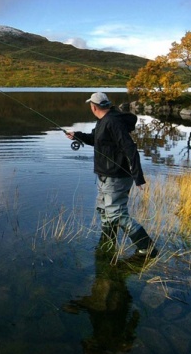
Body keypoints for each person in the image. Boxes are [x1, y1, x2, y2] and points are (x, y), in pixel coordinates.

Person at [66, 92, 157, 258]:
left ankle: (147, 247)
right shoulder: (103, 120)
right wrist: (77, 135)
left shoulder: (113, 121)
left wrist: (138, 177)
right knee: (103, 209)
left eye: (91, 106)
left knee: (116, 213)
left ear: (94, 107)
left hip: (116, 177)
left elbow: (130, 148)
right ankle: (108, 241)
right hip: (105, 176)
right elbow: (95, 139)